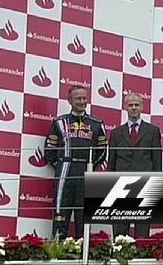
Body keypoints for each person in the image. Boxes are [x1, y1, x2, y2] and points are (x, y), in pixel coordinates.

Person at [44, 85, 106, 239]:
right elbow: (49, 149)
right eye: (78, 98)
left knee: (84, 215)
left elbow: (103, 150)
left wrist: (91, 166)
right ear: (70, 100)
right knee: (61, 211)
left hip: (86, 170)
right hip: (65, 170)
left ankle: (83, 247)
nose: (82, 101)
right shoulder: (59, 122)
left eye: (84, 98)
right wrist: (61, 165)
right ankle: (58, 248)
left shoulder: (96, 123)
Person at [108, 92, 162, 238]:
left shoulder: (153, 131)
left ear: (142, 107)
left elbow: (157, 159)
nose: (133, 108)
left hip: (145, 183)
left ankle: (141, 250)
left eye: (136, 105)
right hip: (120, 184)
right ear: (125, 107)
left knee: (142, 228)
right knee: (120, 227)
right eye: (130, 105)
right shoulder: (116, 133)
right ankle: (120, 250)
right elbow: (111, 160)